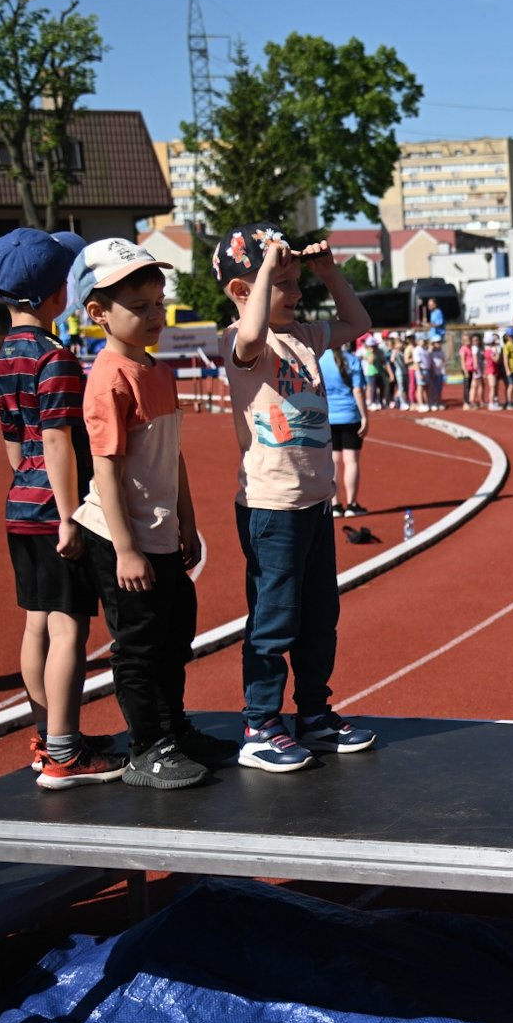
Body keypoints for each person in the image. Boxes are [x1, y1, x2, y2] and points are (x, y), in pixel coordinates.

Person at [215, 221, 377, 772]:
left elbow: (358, 321)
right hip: (270, 506)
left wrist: (329, 273)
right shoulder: (243, 343)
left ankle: (314, 714)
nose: (297, 291)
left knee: (319, 616)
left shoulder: (306, 336)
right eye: (286, 283)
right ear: (245, 290)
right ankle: (260, 724)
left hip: (313, 503)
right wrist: (264, 271)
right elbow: (252, 331)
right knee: (273, 619)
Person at [69, 239, 227, 789]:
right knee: (138, 647)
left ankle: (173, 729)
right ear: (98, 314)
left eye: (159, 304)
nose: (155, 315)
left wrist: (186, 519)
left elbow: (172, 456)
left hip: (160, 533)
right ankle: (146, 747)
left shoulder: (157, 372)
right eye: (139, 307)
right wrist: (127, 547)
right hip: (120, 537)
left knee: (175, 633)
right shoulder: (109, 378)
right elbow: (106, 471)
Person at [0, 228, 124, 786]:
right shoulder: (57, 358)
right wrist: (69, 514)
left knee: (36, 624)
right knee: (70, 627)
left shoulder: (3, 358)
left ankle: (49, 735)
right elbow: (57, 441)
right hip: (55, 510)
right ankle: (65, 753)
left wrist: (31, 488)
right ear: (55, 296)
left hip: (20, 503)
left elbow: (15, 441)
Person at [319, 340, 370, 516]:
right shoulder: (352, 360)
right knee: (352, 461)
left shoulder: (319, 360)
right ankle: (352, 505)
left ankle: (335, 505)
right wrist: (364, 416)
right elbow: (358, 391)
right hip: (350, 415)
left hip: (328, 417)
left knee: (333, 462)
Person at [459, 331, 481, 409]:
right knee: (466, 387)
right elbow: (462, 361)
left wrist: (474, 368)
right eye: (467, 340)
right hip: (466, 370)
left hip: (471, 370)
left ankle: (468, 402)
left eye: (469, 340)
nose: (468, 342)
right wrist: (465, 371)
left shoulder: (470, 348)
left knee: (469, 386)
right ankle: (466, 402)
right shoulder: (463, 349)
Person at [424, 335, 447, 411]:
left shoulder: (442, 352)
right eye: (436, 343)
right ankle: (432, 402)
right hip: (432, 373)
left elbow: (443, 361)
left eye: (440, 343)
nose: (438, 344)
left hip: (440, 373)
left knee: (439, 388)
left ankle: (438, 402)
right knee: (432, 388)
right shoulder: (430, 352)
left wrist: (443, 370)